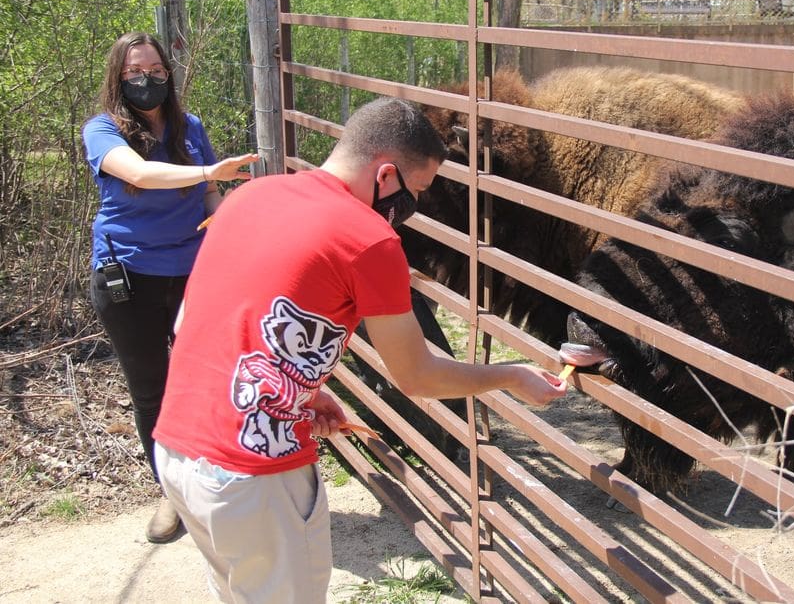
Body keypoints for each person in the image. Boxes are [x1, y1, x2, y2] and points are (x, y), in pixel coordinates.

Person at [152, 97, 567, 602]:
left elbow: (205, 321)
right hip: (253, 476)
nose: (413, 208)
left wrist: (299, 391)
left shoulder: (251, 196)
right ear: (386, 175)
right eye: (417, 191)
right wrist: (507, 375)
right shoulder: (368, 239)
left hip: (177, 451)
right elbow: (417, 376)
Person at [83, 31, 257, 544]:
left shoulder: (189, 127)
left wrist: (237, 228)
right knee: (152, 391)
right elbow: (139, 172)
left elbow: (208, 197)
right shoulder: (101, 130)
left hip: (192, 273)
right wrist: (208, 170)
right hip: (128, 277)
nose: (147, 80)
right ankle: (172, 494)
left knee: (205, 379)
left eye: (156, 70)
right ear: (118, 78)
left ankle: (214, 478)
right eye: (136, 73)